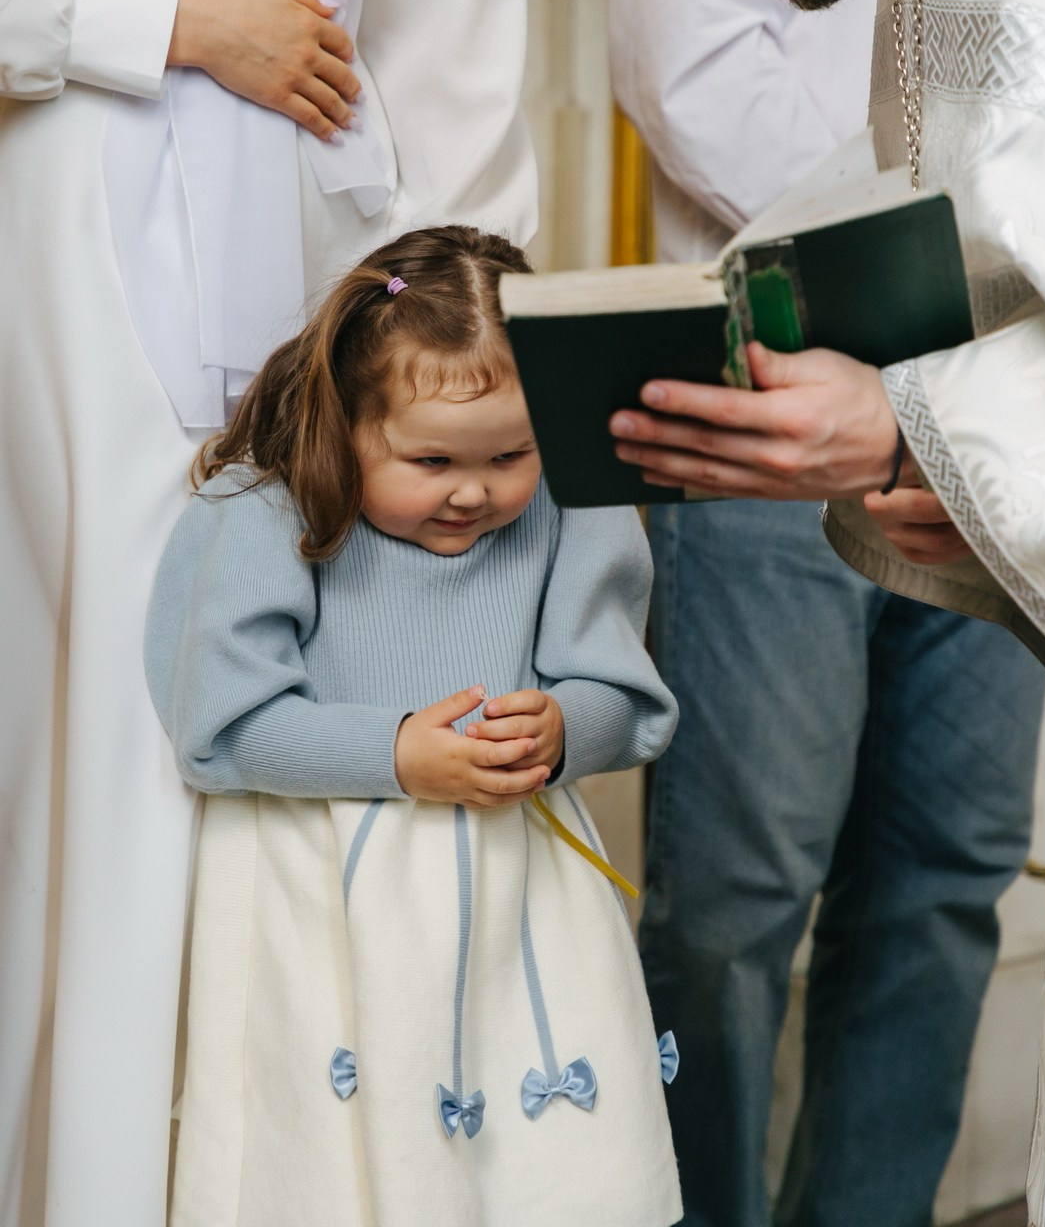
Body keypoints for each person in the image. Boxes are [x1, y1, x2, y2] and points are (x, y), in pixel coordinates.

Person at [480, 0, 1045, 1218]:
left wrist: (905, 430)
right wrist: (921, 433)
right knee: (732, 897)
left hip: (869, 393)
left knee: (936, 880)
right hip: (826, 388)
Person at [1, 0, 535, 1225]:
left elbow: (453, 9)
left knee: (304, 747)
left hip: (329, 284)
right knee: (113, 755)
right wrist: (157, 18)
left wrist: (460, 347)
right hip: (65, 269)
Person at [144, 223, 682, 1227]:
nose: (473, 490)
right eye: (430, 458)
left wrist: (562, 727)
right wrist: (398, 753)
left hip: (516, 900)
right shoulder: (263, 509)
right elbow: (220, 728)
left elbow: (625, 696)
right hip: (324, 901)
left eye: (508, 455)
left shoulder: (570, 500)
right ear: (349, 420)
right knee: (339, 1174)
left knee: (528, 1178)